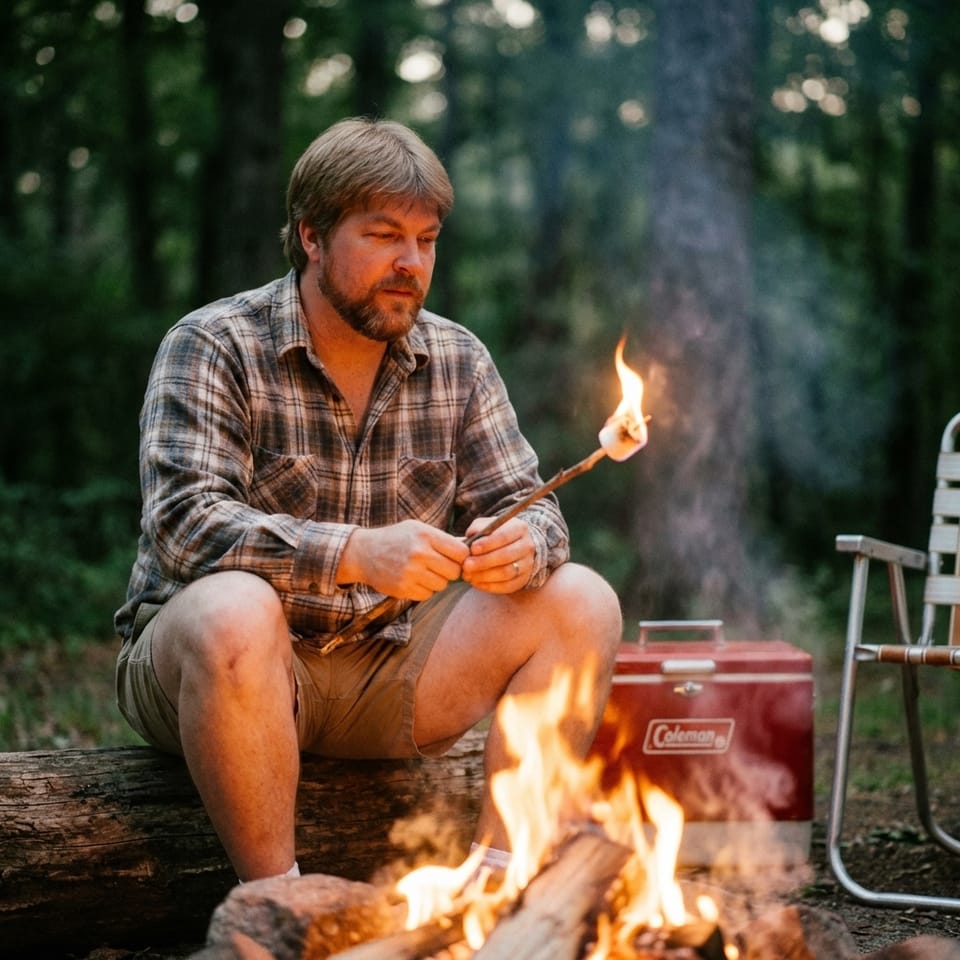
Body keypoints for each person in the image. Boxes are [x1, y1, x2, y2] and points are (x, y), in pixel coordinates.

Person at [114, 117, 622, 883]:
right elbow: (185, 526)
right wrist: (354, 552)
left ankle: (497, 888)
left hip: (384, 669)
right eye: (384, 236)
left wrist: (527, 543)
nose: (410, 263)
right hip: (223, 665)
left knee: (582, 600)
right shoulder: (213, 343)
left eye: (426, 240)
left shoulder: (459, 358)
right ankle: (275, 905)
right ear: (312, 237)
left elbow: (533, 505)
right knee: (235, 609)